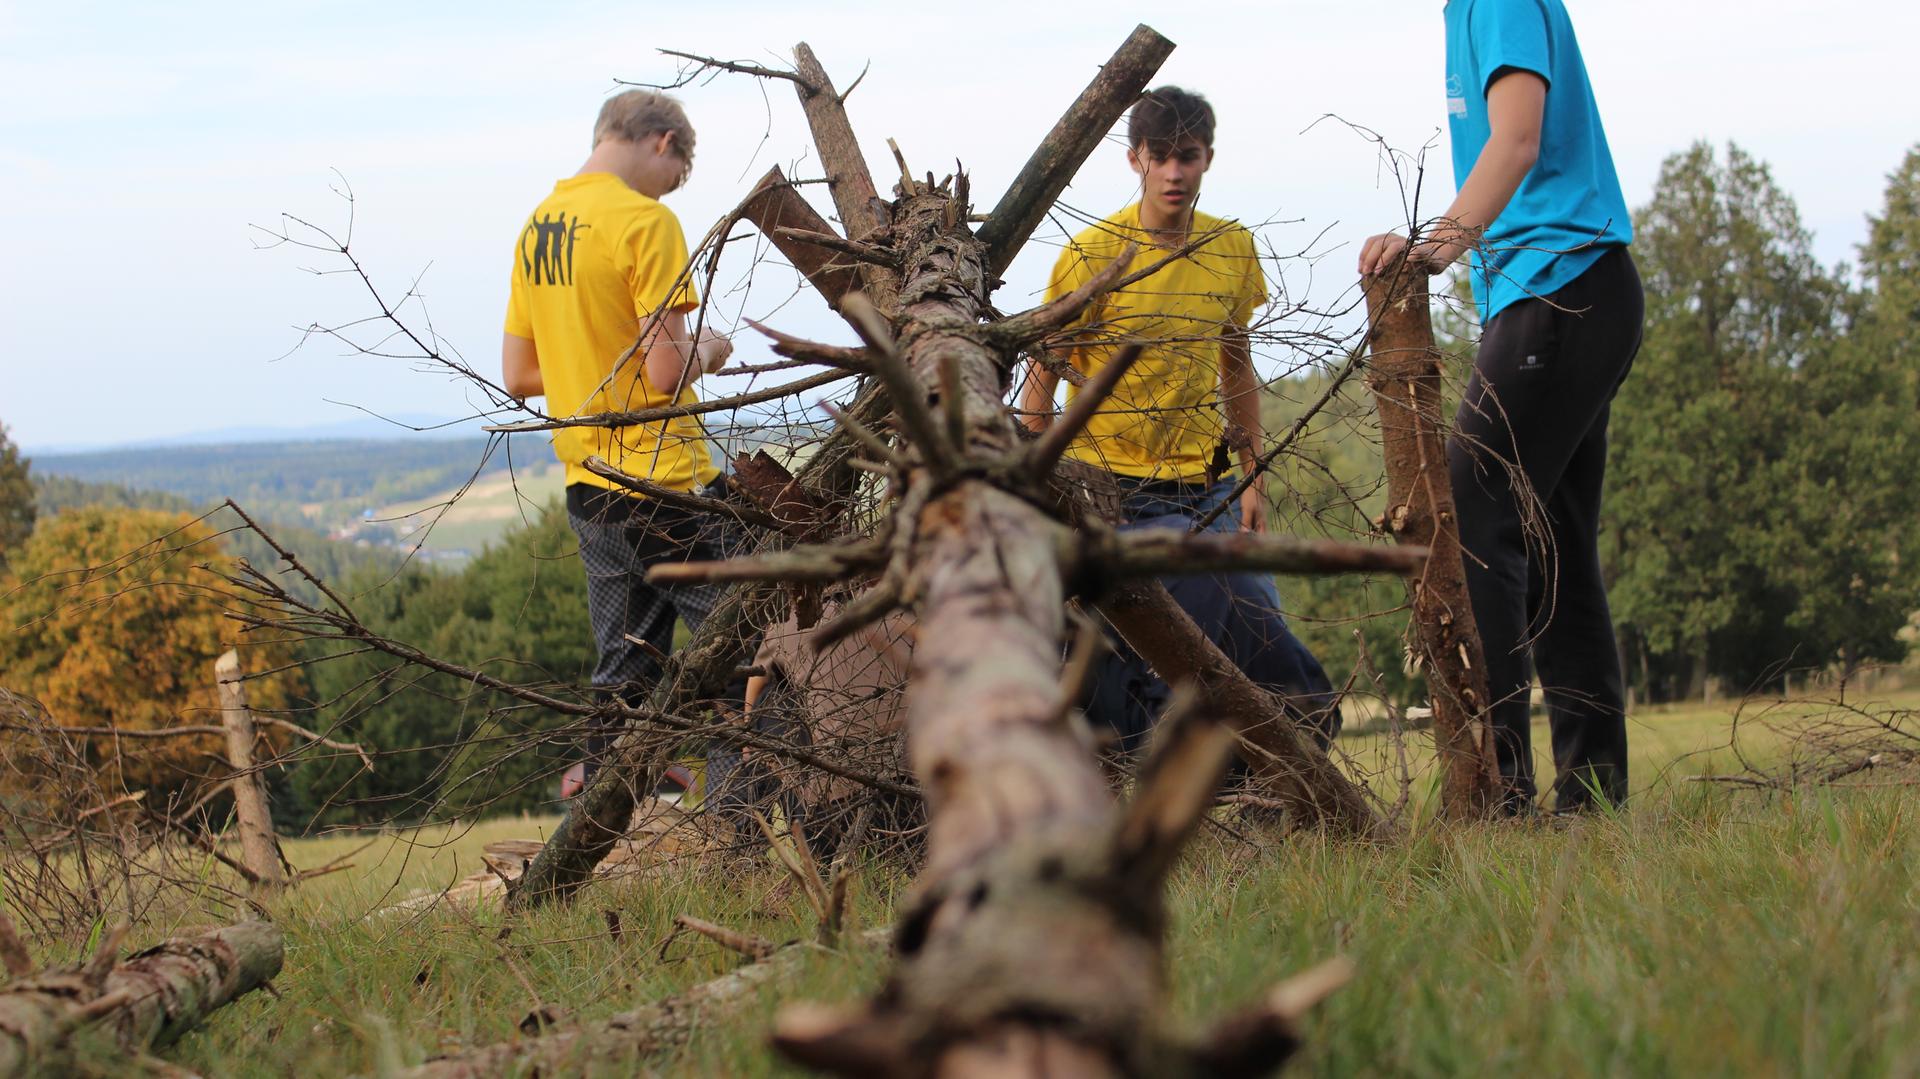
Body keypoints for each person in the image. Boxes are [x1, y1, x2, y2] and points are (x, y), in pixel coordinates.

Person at [1357, 0, 1642, 812]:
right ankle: (1593, 796)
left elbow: (1517, 138)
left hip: (1561, 287)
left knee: (1475, 516)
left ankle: (1496, 792)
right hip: (1571, 290)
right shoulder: (1467, 12)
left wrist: (1433, 247)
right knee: (1553, 544)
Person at [1018, 85, 1341, 753]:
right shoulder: (1093, 254)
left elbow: (1236, 367)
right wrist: (1041, 494)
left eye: (1187, 156)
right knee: (1143, 654)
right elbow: (1041, 381)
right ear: (1134, 158)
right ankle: (1160, 769)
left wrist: (1253, 476)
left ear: (1207, 159)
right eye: (1159, 156)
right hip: (1108, 490)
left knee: (1256, 622)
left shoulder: (1231, 246)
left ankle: (1295, 759)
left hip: (1206, 487)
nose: (1173, 172)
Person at [500, 90, 738, 794]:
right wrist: (709, 349)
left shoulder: (539, 228)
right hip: (668, 486)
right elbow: (664, 373)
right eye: (677, 174)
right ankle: (737, 833)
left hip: (591, 490)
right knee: (746, 656)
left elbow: (519, 375)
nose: (670, 190)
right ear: (663, 142)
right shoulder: (646, 222)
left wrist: (593, 366)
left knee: (624, 676)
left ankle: (597, 838)